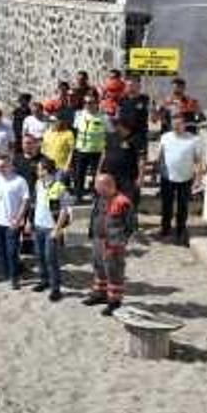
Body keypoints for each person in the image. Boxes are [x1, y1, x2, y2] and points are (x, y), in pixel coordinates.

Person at [84, 173, 133, 316]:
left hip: (113, 244)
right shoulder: (100, 198)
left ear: (108, 185)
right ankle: (100, 294)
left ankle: (114, 302)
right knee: (99, 268)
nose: (96, 189)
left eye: (99, 186)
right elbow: (95, 217)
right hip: (98, 240)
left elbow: (130, 226)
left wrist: (119, 243)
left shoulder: (123, 202)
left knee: (114, 272)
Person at [157, 113, 206, 246]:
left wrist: (198, 179)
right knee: (166, 204)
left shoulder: (193, 140)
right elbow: (161, 156)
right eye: (174, 124)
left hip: (185, 178)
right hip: (167, 177)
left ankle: (180, 230)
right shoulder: (165, 137)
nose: (176, 126)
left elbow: (198, 161)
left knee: (182, 206)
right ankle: (165, 228)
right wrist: (158, 171)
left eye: (179, 124)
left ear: (184, 124)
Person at [32, 158, 71, 301]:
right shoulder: (38, 184)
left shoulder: (60, 187)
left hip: (51, 228)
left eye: (39, 169)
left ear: (46, 170)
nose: (37, 171)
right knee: (39, 255)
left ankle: (56, 289)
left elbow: (64, 210)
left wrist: (57, 229)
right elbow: (36, 204)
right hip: (38, 225)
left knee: (51, 259)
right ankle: (44, 281)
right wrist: (31, 222)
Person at [0, 154, 29, 290]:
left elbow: (25, 201)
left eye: (2, 166)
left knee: (12, 252)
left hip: (12, 223)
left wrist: (18, 219)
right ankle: (6, 273)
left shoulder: (20, 181)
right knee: (1, 252)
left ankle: (14, 278)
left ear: (10, 165)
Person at [71, 93, 108, 203]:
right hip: (81, 150)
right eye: (85, 102)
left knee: (96, 175)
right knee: (79, 175)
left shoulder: (103, 117)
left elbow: (109, 133)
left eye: (90, 102)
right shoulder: (79, 115)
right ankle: (78, 196)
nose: (88, 105)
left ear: (96, 103)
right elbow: (75, 131)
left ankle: (96, 195)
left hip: (96, 151)